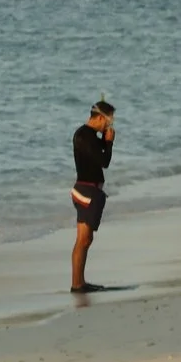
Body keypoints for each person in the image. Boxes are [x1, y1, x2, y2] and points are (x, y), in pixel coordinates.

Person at [70, 100, 116, 293]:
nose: (109, 125)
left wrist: (105, 141)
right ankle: (77, 284)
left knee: (84, 239)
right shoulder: (85, 136)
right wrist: (109, 142)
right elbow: (104, 161)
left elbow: (101, 158)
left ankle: (79, 282)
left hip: (87, 190)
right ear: (99, 118)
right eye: (108, 121)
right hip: (87, 191)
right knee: (84, 240)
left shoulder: (87, 136)